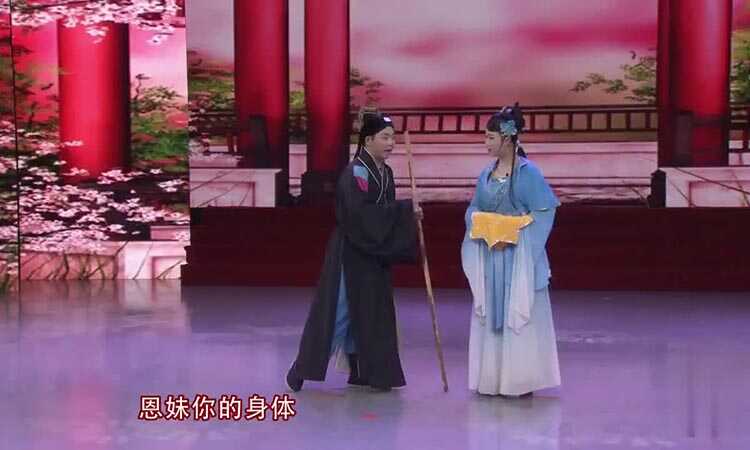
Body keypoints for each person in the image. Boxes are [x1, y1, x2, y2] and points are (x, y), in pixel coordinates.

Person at [286, 110, 423, 392]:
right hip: (351, 250)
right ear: (368, 140)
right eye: (385, 137)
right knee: (339, 312)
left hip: (373, 250)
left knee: (372, 310)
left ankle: (364, 371)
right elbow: (359, 214)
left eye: (392, 138)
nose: (391, 143)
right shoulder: (356, 172)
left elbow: (384, 212)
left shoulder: (385, 172)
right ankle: (301, 368)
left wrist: (405, 215)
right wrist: (404, 212)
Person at [462, 103, 561, 397]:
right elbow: (473, 208)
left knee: (518, 315)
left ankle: (519, 380)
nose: (486, 142)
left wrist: (514, 234)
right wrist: (482, 225)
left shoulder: (528, 173)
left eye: (490, 137)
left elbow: (544, 211)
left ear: (507, 138)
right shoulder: (486, 173)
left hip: (518, 256)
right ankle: (492, 379)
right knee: (492, 315)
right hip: (492, 255)